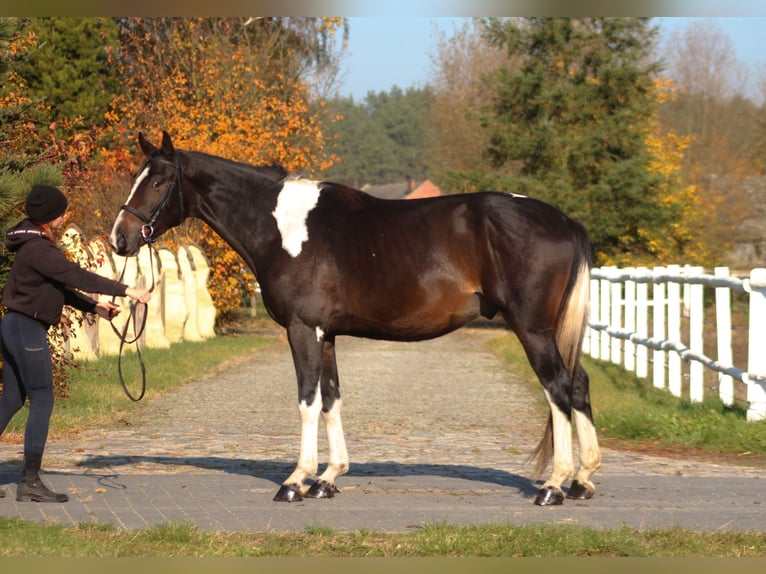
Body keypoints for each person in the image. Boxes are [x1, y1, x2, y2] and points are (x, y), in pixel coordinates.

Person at [0, 184, 151, 503]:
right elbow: (77, 277)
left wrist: (94, 307)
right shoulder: (39, 249)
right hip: (27, 329)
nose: (66, 215)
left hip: (15, 326)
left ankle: (29, 480)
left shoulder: (32, 245)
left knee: (12, 399)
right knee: (42, 400)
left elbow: (60, 289)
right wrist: (127, 291)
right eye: (63, 211)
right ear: (50, 215)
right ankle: (29, 482)